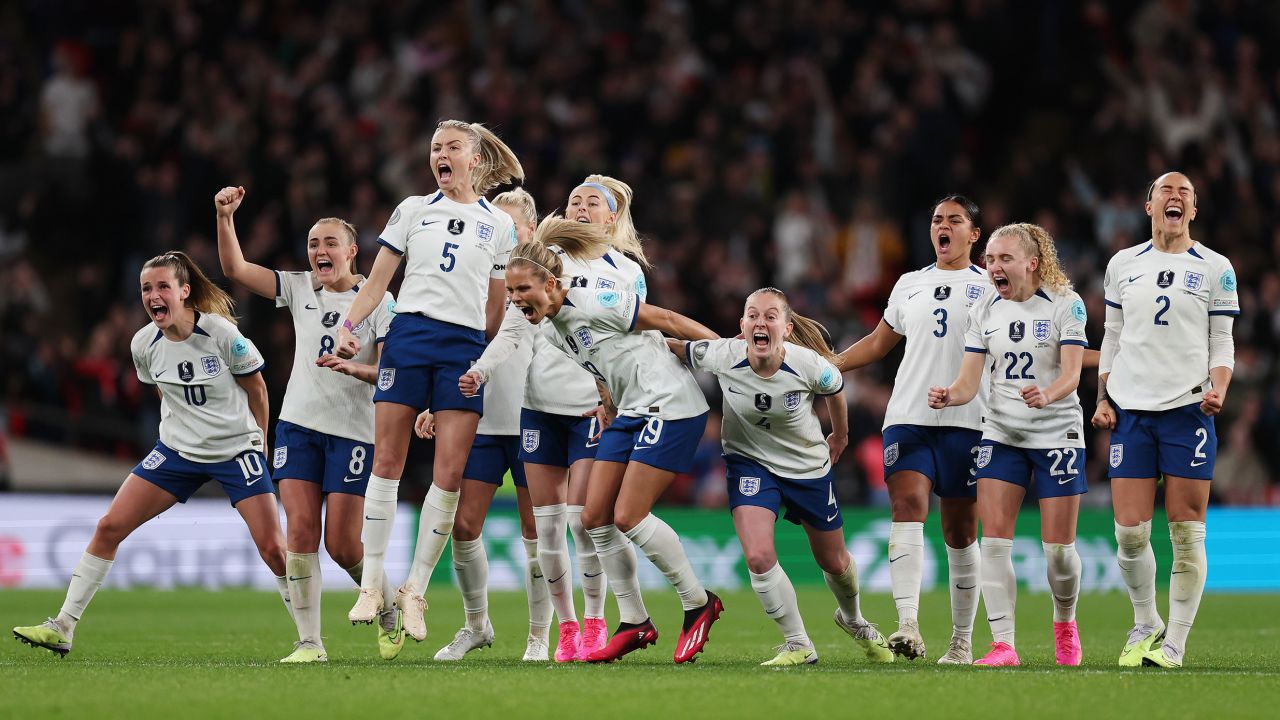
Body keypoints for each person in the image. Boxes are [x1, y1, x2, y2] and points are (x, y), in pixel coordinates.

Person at [13, 252, 290, 657]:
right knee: (109, 527)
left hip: (234, 449)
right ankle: (63, 626)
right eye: (147, 288)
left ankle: (310, 640)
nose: (153, 295)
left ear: (184, 291)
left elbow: (258, 390)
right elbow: (163, 390)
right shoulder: (142, 343)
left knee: (274, 550)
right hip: (177, 450)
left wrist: (260, 441)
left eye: (163, 287)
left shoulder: (222, 334)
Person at [500, 222, 723, 664]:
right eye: (509, 291)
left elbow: (667, 320)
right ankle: (635, 621)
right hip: (629, 409)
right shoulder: (548, 327)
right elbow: (600, 359)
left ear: (550, 282)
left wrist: (729, 354)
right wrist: (606, 399)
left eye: (522, 288)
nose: (515, 299)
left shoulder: (595, 296)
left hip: (670, 403)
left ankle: (698, 603)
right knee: (593, 517)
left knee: (627, 515)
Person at [337, 120, 523, 646]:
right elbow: (376, 282)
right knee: (387, 461)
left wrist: (482, 363)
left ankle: (415, 590)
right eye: (435, 148)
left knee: (448, 475)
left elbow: (494, 312)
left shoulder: (498, 226)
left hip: (462, 347)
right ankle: (373, 582)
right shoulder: (412, 210)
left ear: (475, 159)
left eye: (452, 148)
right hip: (410, 336)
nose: (440, 155)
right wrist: (351, 330)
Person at [461, 176, 649, 662]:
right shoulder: (544, 261)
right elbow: (511, 327)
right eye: (573, 200)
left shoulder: (627, 272)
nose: (581, 208)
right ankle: (566, 629)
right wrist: (480, 370)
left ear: (612, 216)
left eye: (593, 202)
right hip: (538, 407)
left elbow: (638, 341)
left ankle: (594, 621)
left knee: (584, 524)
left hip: (591, 409)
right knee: (546, 531)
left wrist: (622, 398)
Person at [213, 186, 400, 662]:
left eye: (330, 242)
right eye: (314, 243)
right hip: (297, 425)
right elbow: (236, 270)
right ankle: (309, 642)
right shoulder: (300, 288)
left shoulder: (379, 301)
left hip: (354, 431)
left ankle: (388, 605)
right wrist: (225, 217)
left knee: (341, 545)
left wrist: (357, 367)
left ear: (353, 251)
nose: (320, 251)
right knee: (299, 532)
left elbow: (397, 372)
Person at [674, 288, 895, 666]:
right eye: (753, 315)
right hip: (749, 464)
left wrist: (839, 436)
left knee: (835, 562)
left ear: (787, 328)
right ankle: (798, 644)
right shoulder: (721, 354)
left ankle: (854, 620)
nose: (761, 322)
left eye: (771, 316)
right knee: (759, 556)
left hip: (807, 468)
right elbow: (675, 346)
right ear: (742, 326)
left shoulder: (809, 364)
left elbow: (836, 389)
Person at [836, 195, 991, 664]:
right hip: (909, 415)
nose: (943, 227)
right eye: (937, 220)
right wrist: (832, 365)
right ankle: (908, 625)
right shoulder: (909, 283)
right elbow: (881, 342)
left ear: (974, 234)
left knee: (961, 531)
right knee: (907, 507)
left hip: (970, 419)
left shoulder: (992, 286)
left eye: (955, 220)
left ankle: (961, 641)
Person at [1092, 171, 1238, 669]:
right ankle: (1145, 621)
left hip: (1188, 410)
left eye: (1185, 194)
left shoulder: (1217, 268)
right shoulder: (1122, 264)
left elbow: (1222, 340)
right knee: (1129, 533)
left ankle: (1174, 641)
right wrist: (1103, 395)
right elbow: (1112, 335)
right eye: (1165, 192)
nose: (1174, 198)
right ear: (1148, 204)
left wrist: (1219, 386)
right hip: (1131, 409)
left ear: (1193, 211)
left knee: (1186, 532)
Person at [928, 223, 1089, 667]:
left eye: (1004, 258)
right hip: (1001, 433)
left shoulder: (1065, 304)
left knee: (1058, 552)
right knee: (994, 543)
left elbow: (1073, 375)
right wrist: (950, 394)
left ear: (1031, 263)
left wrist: (1048, 394)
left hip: (1057, 432)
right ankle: (1003, 645)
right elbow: (968, 381)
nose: (993, 266)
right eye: (990, 259)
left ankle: (1065, 622)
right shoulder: (984, 309)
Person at [419, 187, 553, 662]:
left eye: (510, 227)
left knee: (536, 532)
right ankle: (476, 625)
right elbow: (457, 348)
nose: (500, 236)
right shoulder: (472, 276)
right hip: (481, 418)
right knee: (464, 525)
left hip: (537, 418)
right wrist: (440, 402)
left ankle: (539, 635)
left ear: (530, 231)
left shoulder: (550, 282)